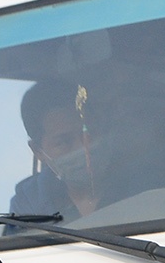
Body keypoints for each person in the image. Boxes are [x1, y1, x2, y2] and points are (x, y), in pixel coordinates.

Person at [12, 79, 99, 219]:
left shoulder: (137, 182)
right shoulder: (28, 204)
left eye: (88, 135)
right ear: (38, 151)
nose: (82, 147)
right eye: (63, 142)